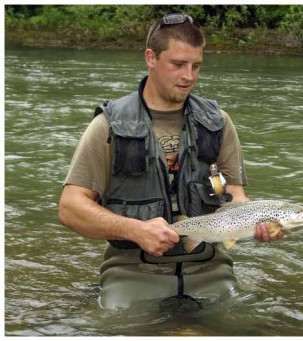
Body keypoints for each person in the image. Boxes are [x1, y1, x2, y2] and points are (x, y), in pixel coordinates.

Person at [58, 13, 281, 309]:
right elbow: (70, 207)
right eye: (178, 64)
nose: (189, 76)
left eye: (196, 66)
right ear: (151, 58)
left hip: (210, 271)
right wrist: (133, 229)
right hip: (132, 273)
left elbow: (235, 196)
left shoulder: (218, 123)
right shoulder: (109, 127)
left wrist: (256, 222)